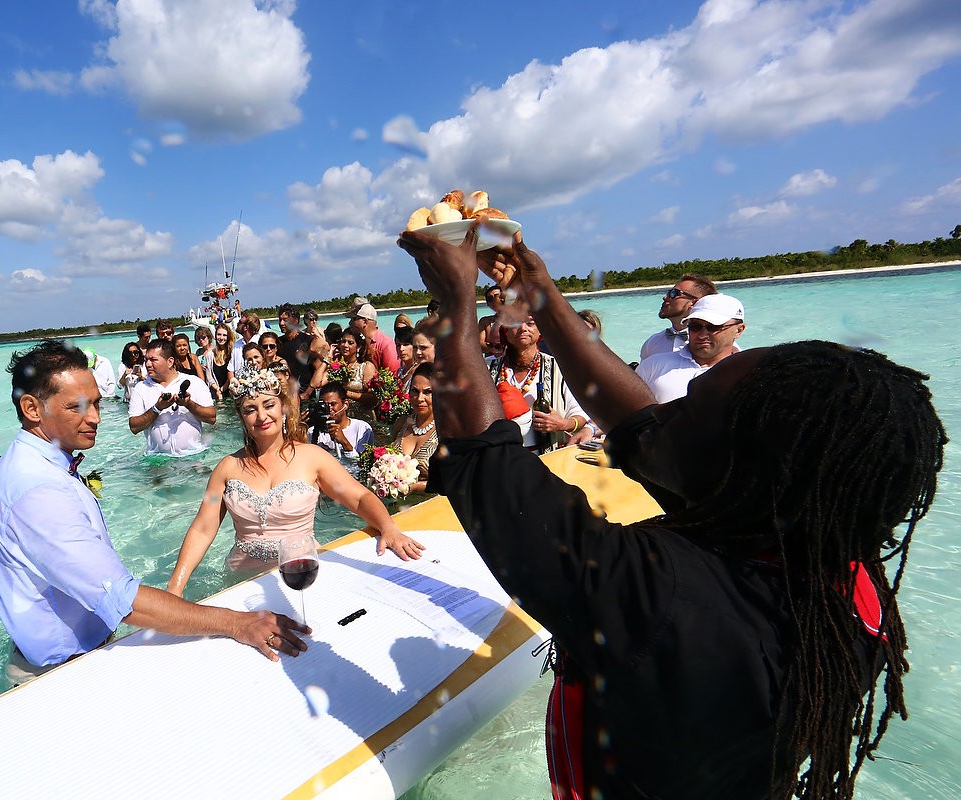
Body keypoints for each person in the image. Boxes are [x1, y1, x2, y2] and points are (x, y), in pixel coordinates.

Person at [398, 224, 946, 800]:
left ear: (737, 467)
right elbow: (640, 424)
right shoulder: (837, 571)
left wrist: (454, 306)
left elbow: (486, 465)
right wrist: (539, 291)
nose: (666, 409)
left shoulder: (661, 598)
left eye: (691, 406)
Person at [0, 340, 307, 683]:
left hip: (66, 653)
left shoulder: (29, 466)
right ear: (32, 408)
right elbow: (120, 599)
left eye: (96, 404)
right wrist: (239, 622)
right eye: (77, 406)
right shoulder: (37, 488)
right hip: (63, 671)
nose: (95, 418)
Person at [165, 365, 423, 594]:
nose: (262, 416)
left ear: (283, 408)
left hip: (304, 574)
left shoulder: (313, 458)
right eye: (250, 410)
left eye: (269, 405)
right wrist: (176, 586)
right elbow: (203, 528)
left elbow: (359, 497)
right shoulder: (226, 469)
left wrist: (388, 528)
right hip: (242, 582)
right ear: (242, 417)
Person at [486, 315, 591, 451]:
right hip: (498, 457)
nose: (523, 328)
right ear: (505, 331)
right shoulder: (486, 368)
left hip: (547, 459)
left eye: (530, 323)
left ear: (540, 331)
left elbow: (580, 413)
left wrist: (563, 424)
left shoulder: (560, 368)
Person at [635, 294, 746, 404]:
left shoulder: (748, 373)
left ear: (739, 330)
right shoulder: (651, 366)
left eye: (713, 327)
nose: (702, 335)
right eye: (695, 326)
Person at [128, 340, 216, 458]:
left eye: (153, 360)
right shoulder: (141, 388)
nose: (147, 364)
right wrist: (157, 408)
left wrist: (188, 404)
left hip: (194, 455)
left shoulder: (195, 382)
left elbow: (212, 418)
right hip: (157, 458)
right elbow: (134, 427)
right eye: (146, 360)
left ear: (170, 362)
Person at [639, 273, 718, 361]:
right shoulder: (652, 343)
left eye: (674, 293)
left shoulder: (716, 344)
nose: (665, 297)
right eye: (669, 293)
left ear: (694, 303)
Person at [390, 363, 438, 494]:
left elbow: (452, 480)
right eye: (415, 391)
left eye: (428, 392)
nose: (419, 398)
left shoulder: (446, 431)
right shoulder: (401, 423)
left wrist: (415, 487)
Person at [310, 381, 373, 461]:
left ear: (345, 404)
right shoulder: (312, 431)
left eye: (333, 404)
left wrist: (344, 442)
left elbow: (362, 464)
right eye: (325, 405)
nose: (329, 409)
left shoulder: (362, 428)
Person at [349, 303, 400, 374]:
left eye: (354, 319)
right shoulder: (361, 343)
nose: (350, 323)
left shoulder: (386, 344)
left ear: (365, 322)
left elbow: (393, 374)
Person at [276, 302, 313, 392]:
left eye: (285, 320)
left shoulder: (308, 341)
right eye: (280, 320)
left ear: (296, 320)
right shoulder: (278, 343)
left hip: (304, 395)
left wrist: (307, 393)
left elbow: (317, 369)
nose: (281, 323)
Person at [477, 286, 506, 357]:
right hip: (493, 363)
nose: (494, 300)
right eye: (490, 298)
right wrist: (498, 347)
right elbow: (480, 344)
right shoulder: (485, 321)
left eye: (496, 296)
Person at [209, 324, 235, 401]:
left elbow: (232, 373)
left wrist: (222, 390)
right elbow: (209, 376)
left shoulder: (232, 352)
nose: (221, 338)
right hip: (216, 394)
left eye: (224, 335)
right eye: (219, 334)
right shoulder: (210, 354)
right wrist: (217, 390)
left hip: (231, 393)